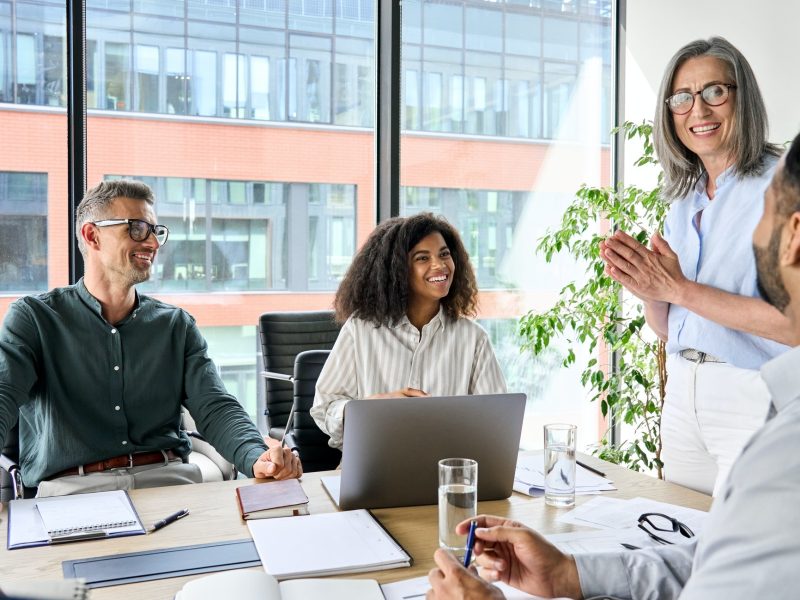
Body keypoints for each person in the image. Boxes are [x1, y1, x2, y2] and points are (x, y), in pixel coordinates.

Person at [426, 132, 800, 600]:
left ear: (795, 235)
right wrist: (569, 574)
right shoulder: (784, 429)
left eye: (763, 207)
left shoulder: (785, 451)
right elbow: (716, 558)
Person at [0, 180, 301, 497]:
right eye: (137, 228)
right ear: (92, 236)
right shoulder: (34, 319)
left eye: (156, 232)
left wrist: (258, 456)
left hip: (170, 483)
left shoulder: (175, 325)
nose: (153, 244)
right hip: (72, 492)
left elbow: (217, 408)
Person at [599, 37, 790, 495]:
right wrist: (651, 291)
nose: (698, 110)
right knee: (681, 543)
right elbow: (674, 329)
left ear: (742, 98)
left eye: (714, 93)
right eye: (682, 97)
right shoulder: (682, 199)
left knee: (745, 559)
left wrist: (679, 288)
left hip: (754, 396)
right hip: (684, 396)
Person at [310, 212, 507, 450]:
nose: (440, 265)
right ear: (397, 270)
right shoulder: (360, 329)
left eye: (444, 254)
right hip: (374, 466)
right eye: (422, 258)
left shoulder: (473, 338)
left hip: (447, 470)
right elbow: (324, 407)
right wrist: (372, 407)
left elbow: (498, 421)